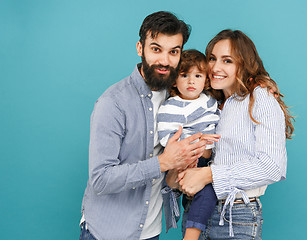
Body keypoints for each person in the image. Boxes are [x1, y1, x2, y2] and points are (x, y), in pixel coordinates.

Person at [79, 11, 208, 240]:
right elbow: (100, 178)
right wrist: (163, 162)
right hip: (108, 233)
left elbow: (222, 90)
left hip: (150, 232)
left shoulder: (179, 95)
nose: (165, 61)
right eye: (156, 49)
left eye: (173, 52)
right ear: (140, 48)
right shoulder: (113, 103)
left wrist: (261, 87)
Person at [176, 29, 295, 240]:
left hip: (236, 216)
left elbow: (273, 166)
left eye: (227, 60)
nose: (215, 67)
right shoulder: (209, 103)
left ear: (244, 64)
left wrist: (209, 175)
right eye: (212, 58)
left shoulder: (260, 98)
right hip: (196, 213)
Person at [156, 49, 220, 240]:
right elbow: (166, 135)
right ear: (174, 80)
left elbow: (217, 123)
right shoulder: (170, 106)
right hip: (182, 158)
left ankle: (191, 235)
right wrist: (186, 152)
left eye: (197, 76)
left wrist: (208, 144)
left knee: (208, 193)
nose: (191, 81)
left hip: (206, 162)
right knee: (186, 191)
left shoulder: (210, 101)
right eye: (184, 75)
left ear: (205, 81)